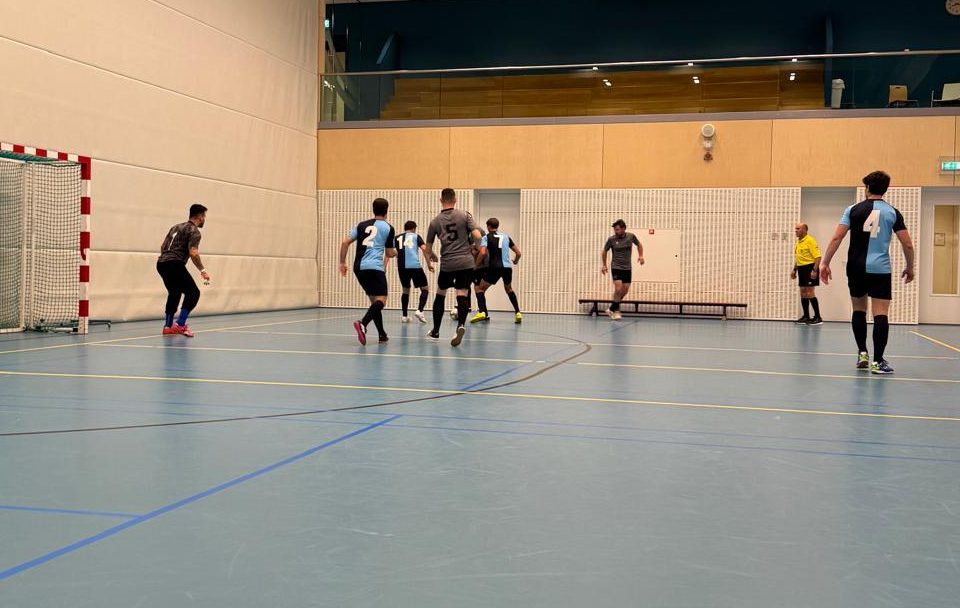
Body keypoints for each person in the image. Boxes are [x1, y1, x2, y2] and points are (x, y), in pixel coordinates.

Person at [820, 171, 915, 374]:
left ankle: (862, 352)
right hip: (880, 269)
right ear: (885, 189)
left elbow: (836, 238)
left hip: (855, 267)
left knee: (859, 309)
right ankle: (878, 362)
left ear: (868, 188)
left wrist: (825, 263)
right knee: (880, 313)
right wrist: (910, 267)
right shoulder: (893, 212)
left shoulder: (852, 210)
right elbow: (907, 243)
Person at [426, 188, 482, 346]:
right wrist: (477, 248)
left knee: (440, 294)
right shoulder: (465, 215)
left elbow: (427, 248)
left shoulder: (435, 222)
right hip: (466, 262)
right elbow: (478, 235)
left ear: (440, 200)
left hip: (448, 263)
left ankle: (436, 331)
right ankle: (461, 325)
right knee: (462, 293)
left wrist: (432, 255)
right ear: (455, 199)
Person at [339, 198, 397, 345]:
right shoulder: (388, 228)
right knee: (381, 300)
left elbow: (345, 242)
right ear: (387, 210)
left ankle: (382, 334)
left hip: (359, 267)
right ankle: (363, 323)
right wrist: (397, 253)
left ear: (373, 209)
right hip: (375, 267)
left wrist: (342, 262)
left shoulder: (361, 225)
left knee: (374, 302)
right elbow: (389, 253)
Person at [157, 203, 210, 337]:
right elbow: (193, 253)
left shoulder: (175, 227)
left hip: (161, 263)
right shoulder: (194, 231)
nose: (204, 219)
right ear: (199, 216)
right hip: (175, 264)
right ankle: (180, 325)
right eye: (204, 216)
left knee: (174, 292)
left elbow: (163, 246)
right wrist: (202, 270)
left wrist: (168, 259)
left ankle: (168, 326)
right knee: (193, 293)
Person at [471, 217, 523, 324]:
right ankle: (518, 312)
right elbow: (518, 253)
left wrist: (476, 265)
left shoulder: (486, 237)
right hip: (507, 268)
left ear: (489, 226)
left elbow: (483, 253)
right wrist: (515, 261)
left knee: (479, 288)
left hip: (494, 267)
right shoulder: (506, 237)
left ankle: (482, 312)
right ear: (497, 226)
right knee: (509, 289)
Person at [600, 219, 643, 320]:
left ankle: (612, 308)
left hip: (627, 268)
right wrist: (604, 265)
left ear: (624, 228)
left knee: (624, 291)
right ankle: (616, 310)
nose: (616, 231)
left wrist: (641, 256)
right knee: (618, 289)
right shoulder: (611, 239)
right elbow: (604, 251)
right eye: (615, 230)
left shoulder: (631, 237)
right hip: (616, 267)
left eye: (618, 229)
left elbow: (639, 244)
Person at [395, 220, 434, 323]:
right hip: (414, 266)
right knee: (425, 288)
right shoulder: (416, 236)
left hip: (401, 267)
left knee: (405, 290)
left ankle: (404, 316)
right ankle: (419, 311)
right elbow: (425, 249)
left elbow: (392, 252)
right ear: (413, 228)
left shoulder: (397, 238)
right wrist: (429, 264)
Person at [791, 223, 823, 325]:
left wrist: (814, 270)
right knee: (803, 293)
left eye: (798, 228)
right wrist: (794, 270)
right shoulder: (798, 242)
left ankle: (818, 317)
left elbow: (818, 257)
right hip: (801, 268)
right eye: (795, 229)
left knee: (810, 293)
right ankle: (806, 316)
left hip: (810, 268)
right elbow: (799, 257)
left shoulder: (810, 240)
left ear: (804, 230)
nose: (796, 230)